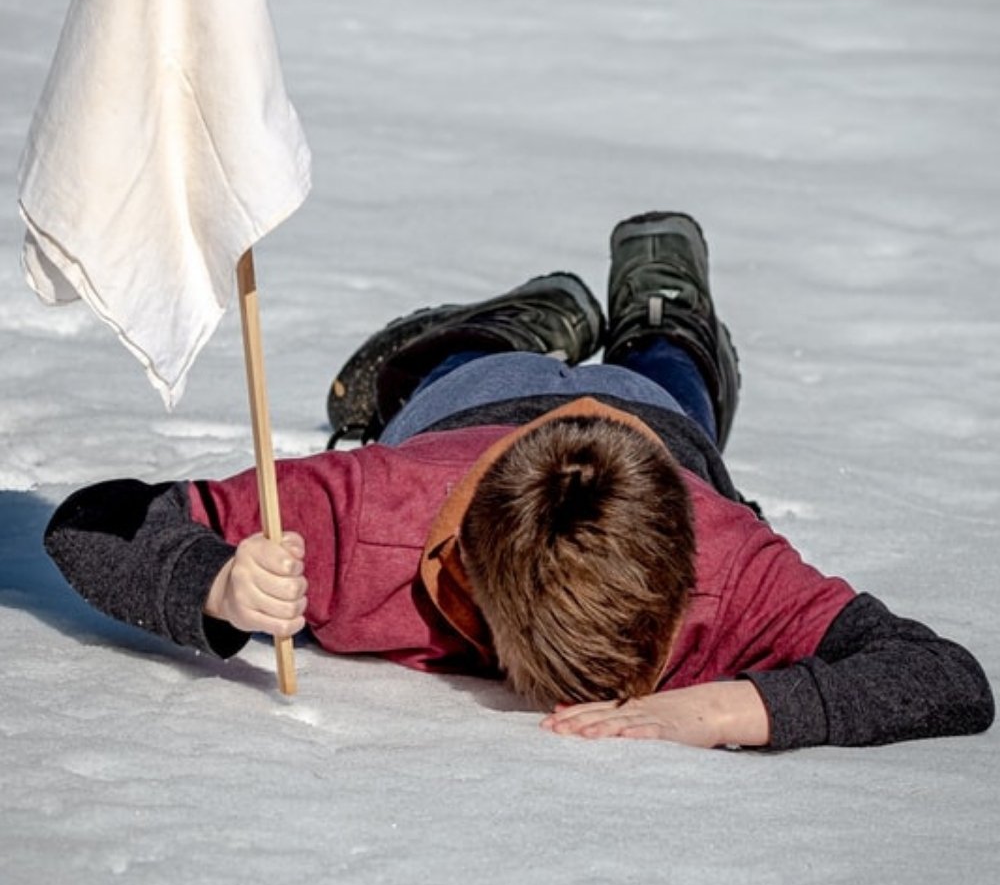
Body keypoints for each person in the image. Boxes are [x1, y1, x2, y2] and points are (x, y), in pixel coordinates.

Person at [44, 212, 994, 750]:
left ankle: (666, 313)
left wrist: (729, 707)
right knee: (440, 370)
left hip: (652, 426)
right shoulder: (361, 518)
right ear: (479, 592)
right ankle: (522, 323)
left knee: (669, 372)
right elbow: (94, 520)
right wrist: (214, 581)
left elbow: (947, 677)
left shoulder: (735, 567)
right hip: (472, 405)